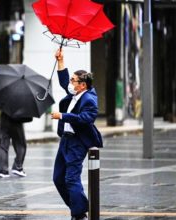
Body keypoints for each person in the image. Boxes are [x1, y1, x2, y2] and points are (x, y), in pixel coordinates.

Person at [50, 49, 103, 220]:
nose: (71, 82)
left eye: (74, 80)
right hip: (65, 140)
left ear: (83, 85)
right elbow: (64, 82)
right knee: (58, 178)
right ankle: (79, 206)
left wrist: (63, 116)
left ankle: (79, 214)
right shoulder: (75, 92)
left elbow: (86, 118)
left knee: (71, 179)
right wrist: (60, 60)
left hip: (77, 143)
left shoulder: (89, 99)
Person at [0, 112, 32, 178]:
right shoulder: (23, 101)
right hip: (17, 120)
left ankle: (3, 171)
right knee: (21, 144)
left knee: (3, 146)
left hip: (4, 119)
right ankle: (18, 167)